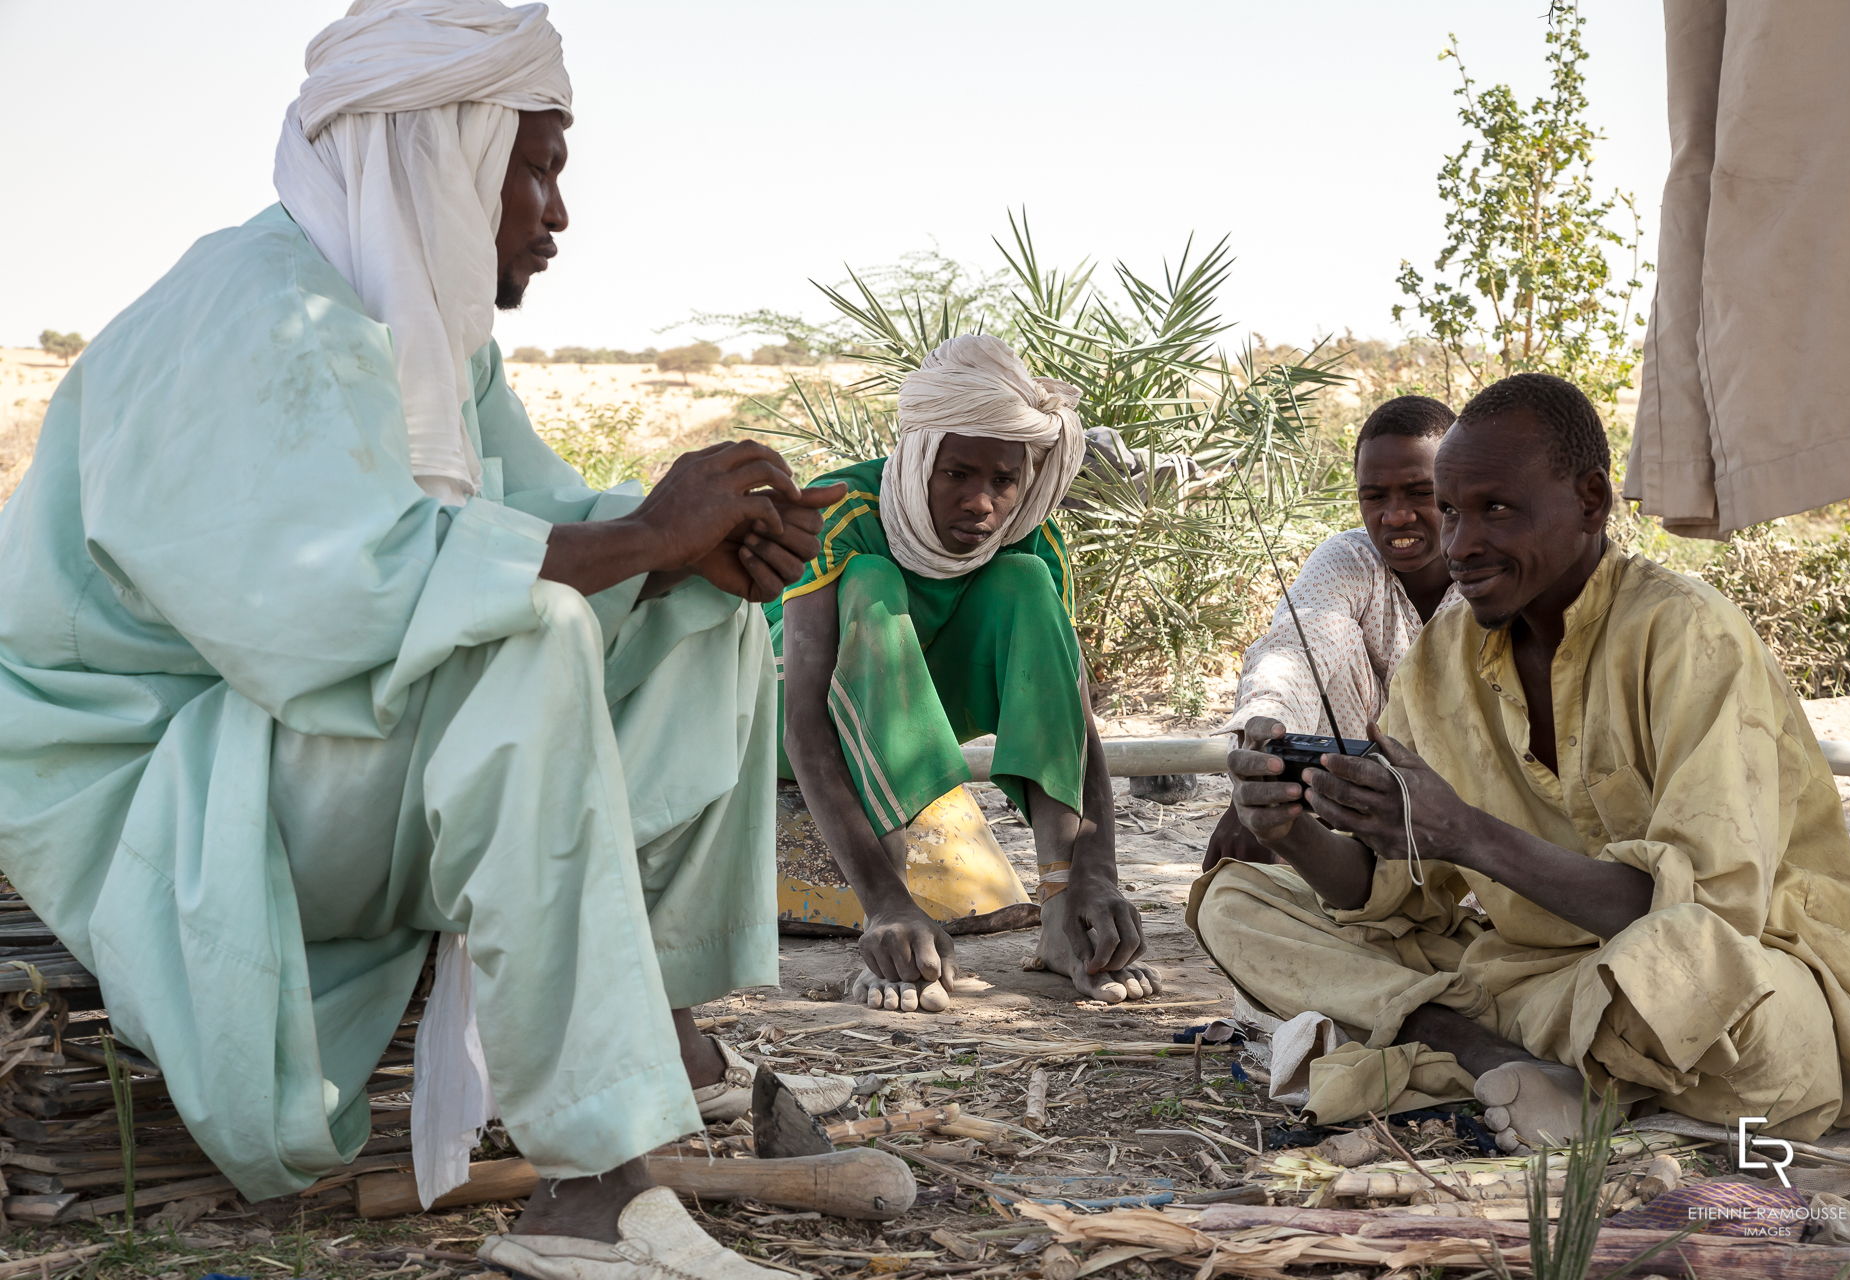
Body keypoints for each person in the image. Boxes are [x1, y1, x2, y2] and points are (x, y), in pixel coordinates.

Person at [0, 3, 847, 1275]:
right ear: (444, 150)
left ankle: (653, 1031)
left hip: (299, 758)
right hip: (157, 786)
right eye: (539, 165)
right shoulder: (248, 316)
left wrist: (695, 541)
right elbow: (331, 600)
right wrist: (641, 539)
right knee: (535, 632)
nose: (555, 213)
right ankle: (589, 1185)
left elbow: (532, 512)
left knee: (697, 612)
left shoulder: (436, 340)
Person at [1189, 373, 1850, 1151]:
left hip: (1713, 983)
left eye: (1495, 509)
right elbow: (1390, 894)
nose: (1458, 546)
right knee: (1238, 900)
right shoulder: (1442, 659)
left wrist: (1468, 834)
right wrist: (1290, 829)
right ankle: (1492, 1056)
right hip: (1526, 983)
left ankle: (1478, 1050)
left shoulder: (1689, 636)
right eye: (1452, 512)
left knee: (1721, 998)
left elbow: (1706, 918)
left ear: (1591, 501)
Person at [768, 335, 1161, 1014]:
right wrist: (888, 904)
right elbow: (803, 716)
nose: (982, 502)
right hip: (781, 718)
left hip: (927, 716)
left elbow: (1072, 714)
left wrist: (1097, 873)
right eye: (957, 475)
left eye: (1004, 481)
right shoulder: (844, 510)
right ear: (919, 459)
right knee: (871, 581)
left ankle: (1062, 914)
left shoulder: (1030, 539)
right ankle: (889, 919)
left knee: (1026, 580)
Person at [1206, 395, 1460, 869]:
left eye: (1419, 492)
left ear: (1455, 488)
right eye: (1375, 496)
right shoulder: (1349, 558)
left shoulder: (1490, 572)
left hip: (1465, 813)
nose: (1396, 515)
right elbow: (1297, 652)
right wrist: (1262, 769)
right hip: (1348, 803)